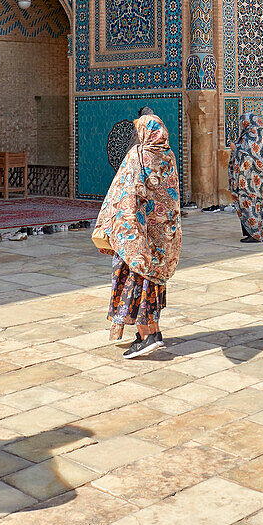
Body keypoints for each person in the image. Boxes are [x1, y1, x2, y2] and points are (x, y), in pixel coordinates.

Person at [90, 113, 182, 358]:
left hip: (137, 233)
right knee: (152, 281)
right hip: (163, 233)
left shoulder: (138, 155)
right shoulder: (169, 156)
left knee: (136, 280)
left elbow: (125, 194)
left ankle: (145, 336)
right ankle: (155, 331)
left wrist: (119, 228)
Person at [230, 112, 263, 243]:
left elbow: (250, 155)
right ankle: (256, 232)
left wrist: (236, 148)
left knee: (249, 203)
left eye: (242, 123)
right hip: (262, 179)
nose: (241, 125)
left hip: (252, 180)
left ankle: (255, 234)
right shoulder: (262, 134)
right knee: (260, 205)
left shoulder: (252, 134)